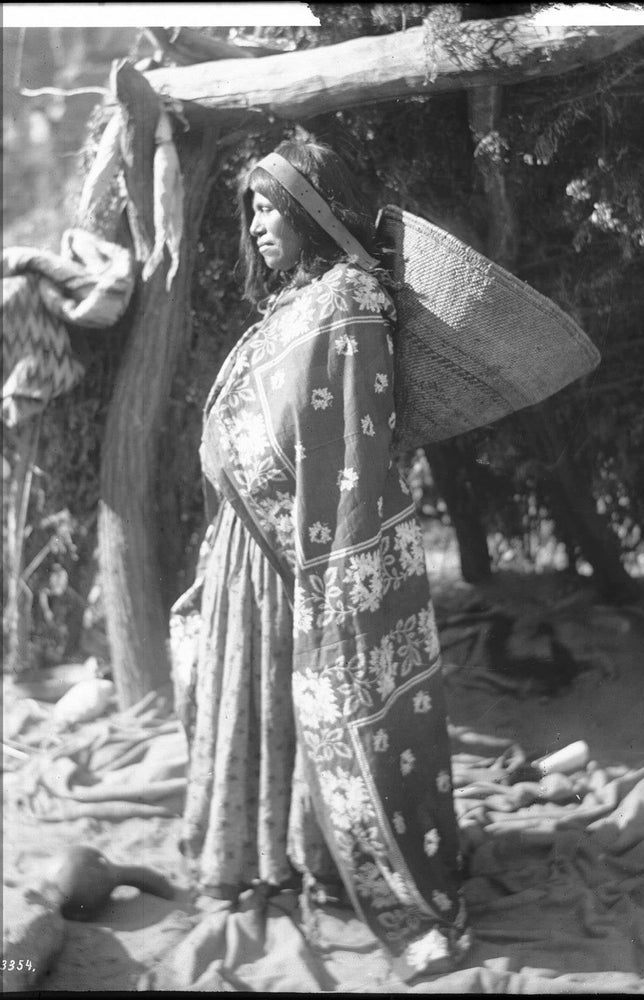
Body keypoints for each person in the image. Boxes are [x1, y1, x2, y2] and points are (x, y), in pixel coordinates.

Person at [169, 138, 472, 981]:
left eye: (273, 208)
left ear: (313, 211)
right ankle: (264, 853)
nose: (259, 225)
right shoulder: (296, 304)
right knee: (254, 692)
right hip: (249, 544)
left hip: (305, 548)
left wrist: (332, 565)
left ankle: (328, 856)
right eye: (252, 210)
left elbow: (348, 447)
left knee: (311, 698)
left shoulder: (347, 302)